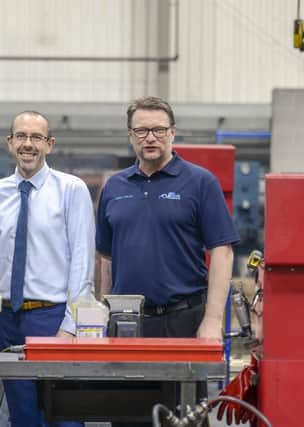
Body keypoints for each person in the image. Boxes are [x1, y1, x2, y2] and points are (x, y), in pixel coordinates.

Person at [95, 97, 239, 425]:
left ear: (172, 133)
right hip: (129, 324)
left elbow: (222, 251)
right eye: (142, 130)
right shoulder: (114, 187)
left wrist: (213, 321)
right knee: (129, 415)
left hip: (184, 320)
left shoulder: (200, 182)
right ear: (130, 135)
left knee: (184, 416)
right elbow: (105, 255)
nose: (150, 137)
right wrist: (103, 313)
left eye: (159, 129)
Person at [0, 111, 94, 427]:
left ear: (50, 144)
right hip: (6, 320)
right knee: (23, 417)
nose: (28, 144)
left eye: (36, 137)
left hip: (52, 318)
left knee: (64, 415)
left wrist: (71, 325)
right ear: (10, 142)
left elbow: (82, 263)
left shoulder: (72, 190)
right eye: (21, 137)